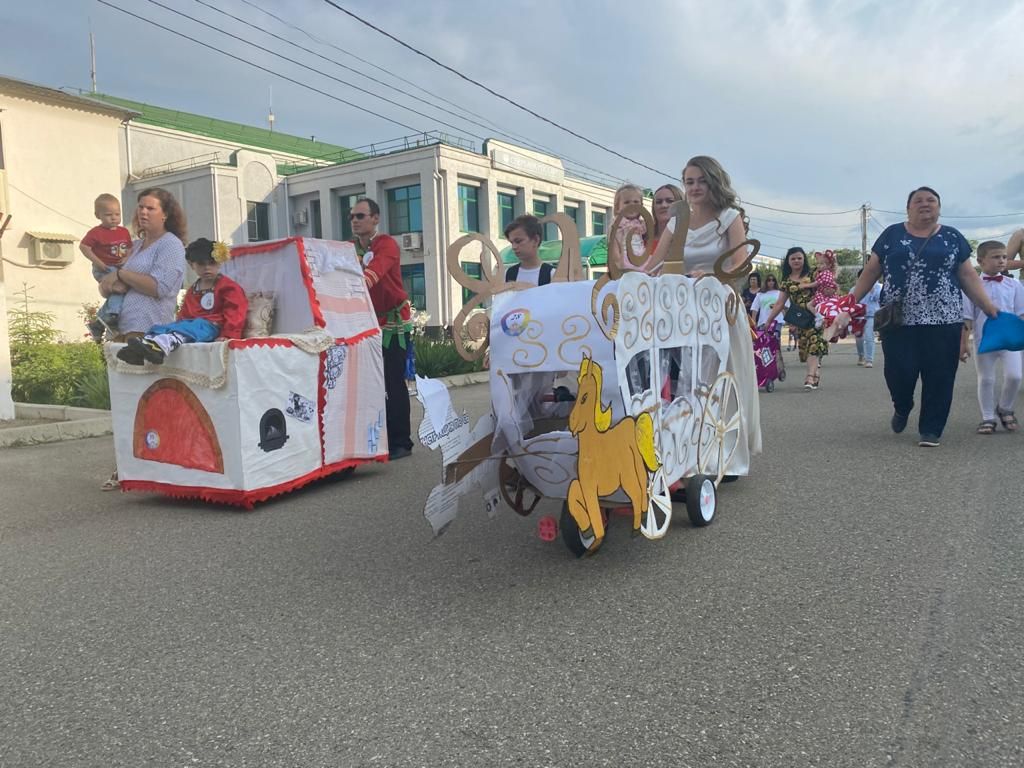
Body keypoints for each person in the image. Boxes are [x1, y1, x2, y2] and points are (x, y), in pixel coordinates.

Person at [850, 186, 997, 447]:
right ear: (908, 208)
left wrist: (988, 306)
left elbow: (967, 276)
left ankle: (931, 428)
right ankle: (903, 405)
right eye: (918, 200)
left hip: (944, 319)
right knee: (898, 372)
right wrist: (849, 303)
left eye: (931, 200)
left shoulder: (953, 237)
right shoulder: (891, 234)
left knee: (940, 375)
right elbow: (871, 272)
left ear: (939, 208)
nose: (925, 204)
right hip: (898, 319)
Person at [653, 155, 761, 474]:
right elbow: (656, 264)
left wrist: (713, 274)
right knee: (686, 380)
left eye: (701, 180)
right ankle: (688, 451)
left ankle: (726, 456)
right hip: (683, 309)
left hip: (719, 306)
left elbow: (739, 263)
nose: (695, 187)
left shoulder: (729, 217)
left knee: (720, 379)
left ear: (713, 181)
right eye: (689, 181)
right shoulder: (677, 222)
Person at [99, 187, 187, 490]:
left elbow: (160, 287)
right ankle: (129, 465)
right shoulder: (134, 247)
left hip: (150, 333)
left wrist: (123, 277)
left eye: (150, 208)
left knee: (147, 401)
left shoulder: (170, 245)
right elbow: (105, 286)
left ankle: (156, 463)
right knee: (125, 402)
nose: (143, 212)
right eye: (140, 207)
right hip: (122, 332)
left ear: (166, 213)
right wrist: (118, 277)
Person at [350, 197, 414, 460]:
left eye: (360, 216)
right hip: (367, 321)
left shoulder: (386, 244)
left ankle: (402, 442)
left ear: (375, 218)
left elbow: (372, 274)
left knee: (392, 382)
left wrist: (353, 284)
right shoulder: (350, 248)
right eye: (352, 216)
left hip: (393, 324)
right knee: (370, 384)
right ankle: (379, 439)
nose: (354, 220)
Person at [116, 238, 248, 365]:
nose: (207, 268)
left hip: (212, 327)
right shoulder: (193, 289)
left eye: (212, 263)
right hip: (191, 326)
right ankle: (142, 349)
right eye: (201, 264)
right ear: (192, 265)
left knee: (191, 328)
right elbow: (186, 313)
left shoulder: (228, 287)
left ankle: (159, 347)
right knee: (162, 328)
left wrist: (228, 335)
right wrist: (178, 325)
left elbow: (235, 313)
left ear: (219, 263)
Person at [960, 241, 1024, 435]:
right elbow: (967, 318)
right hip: (983, 339)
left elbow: (1021, 313)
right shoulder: (971, 286)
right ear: (980, 261)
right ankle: (988, 417)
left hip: (1011, 340)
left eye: (1004, 257)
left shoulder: (1014, 284)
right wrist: (964, 344)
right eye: (996, 257)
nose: (1002, 261)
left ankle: (1005, 407)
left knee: (1015, 376)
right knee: (986, 379)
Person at [764, 247, 828, 389]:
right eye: (793, 258)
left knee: (814, 343)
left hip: (817, 314)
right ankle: (815, 372)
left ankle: (809, 377)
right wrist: (768, 320)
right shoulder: (786, 281)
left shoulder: (813, 274)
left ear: (804, 259)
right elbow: (780, 303)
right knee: (806, 348)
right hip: (800, 318)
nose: (796, 261)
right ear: (788, 261)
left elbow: (827, 285)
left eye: (799, 258)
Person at [80, 193, 133, 341]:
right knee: (120, 289)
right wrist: (98, 262)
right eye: (109, 214)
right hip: (104, 267)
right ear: (98, 215)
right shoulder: (96, 233)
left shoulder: (124, 231)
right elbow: (84, 247)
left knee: (121, 291)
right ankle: (112, 317)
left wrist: (126, 258)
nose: (114, 218)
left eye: (117, 214)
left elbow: (129, 248)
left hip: (119, 267)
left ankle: (98, 323)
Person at [609, 183, 650, 272]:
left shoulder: (642, 224)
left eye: (636, 202)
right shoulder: (617, 225)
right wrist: (618, 263)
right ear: (617, 208)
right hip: (624, 260)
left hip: (642, 258)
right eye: (627, 202)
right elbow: (614, 250)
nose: (632, 205)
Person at [503, 215, 552, 285]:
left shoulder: (551, 274)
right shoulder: (508, 274)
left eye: (518, 241)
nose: (514, 247)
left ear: (535, 240)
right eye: (511, 242)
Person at [853, 268, 882, 367]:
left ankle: (869, 360)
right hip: (858, 316)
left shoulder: (879, 287)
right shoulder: (855, 288)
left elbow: (879, 299)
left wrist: (872, 290)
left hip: (872, 316)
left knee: (869, 337)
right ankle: (861, 355)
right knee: (859, 338)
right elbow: (850, 301)